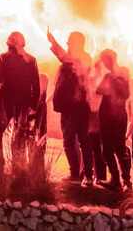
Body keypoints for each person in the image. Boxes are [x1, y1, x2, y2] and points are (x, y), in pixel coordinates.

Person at [0, 31, 41, 172]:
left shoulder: (4, 58)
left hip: (5, 101)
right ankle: (17, 167)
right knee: (19, 135)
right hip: (23, 102)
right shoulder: (31, 60)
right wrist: (33, 105)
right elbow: (36, 84)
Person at [48, 29, 91, 183]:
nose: (68, 45)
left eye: (70, 42)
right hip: (69, 106)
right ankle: (82, 174)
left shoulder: (83, 59)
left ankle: (79, 175)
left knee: (75, 141)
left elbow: (66, 58)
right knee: (75, 141)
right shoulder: (72, 60)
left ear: (77, 44)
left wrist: (53, 42)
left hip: (77, 107)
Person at [94, 49, 132, 191]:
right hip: (113, 116)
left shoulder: (117, 74)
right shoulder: (115, 74)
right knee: (111, 149)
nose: (104, 63)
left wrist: (111, 84)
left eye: (105, 60)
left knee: (115, 149)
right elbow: (99, 90)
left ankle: (123, 180)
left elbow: (125, 93)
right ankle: (118, 180)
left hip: (113, 116)